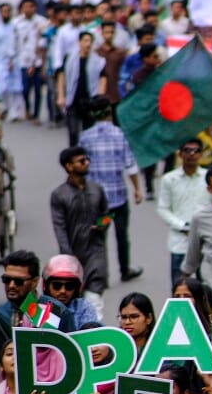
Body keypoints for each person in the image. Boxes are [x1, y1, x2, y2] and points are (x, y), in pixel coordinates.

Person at [76, 98, 143, 283]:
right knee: (122, 234)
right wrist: (137, 189)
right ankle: (124, 270)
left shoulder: (85, 137)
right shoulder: (119, 134)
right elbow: (129, 164)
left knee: (99, 236)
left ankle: (101, 275)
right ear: (109, 112)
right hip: (118, 198)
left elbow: (81, 168)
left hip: (97, 201)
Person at [48, 147, 109, 303]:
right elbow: (59, 227)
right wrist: (67, 256)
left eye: (87, 160)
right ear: (69, 166)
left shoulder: (97, 190)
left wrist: (103, 224)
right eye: (81, 161)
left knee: (95, 296)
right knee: (75, 298)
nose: (86, 163)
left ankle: (94, 325)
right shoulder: (59, 195)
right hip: (74, 253)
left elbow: (107, 215)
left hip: (96, 251)